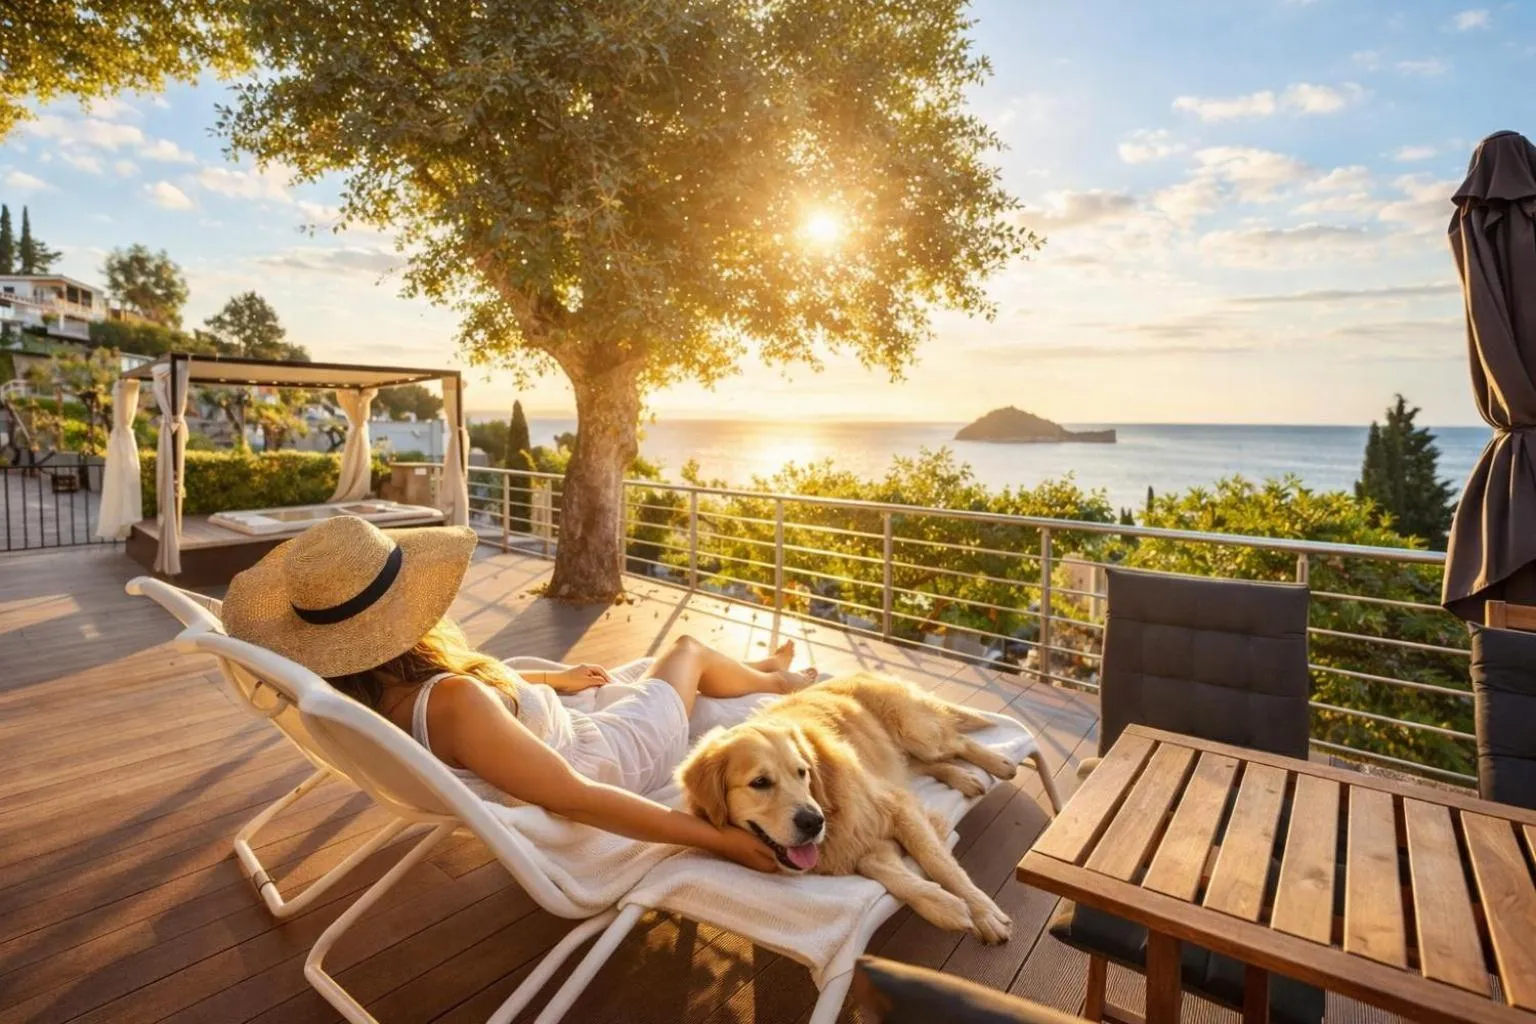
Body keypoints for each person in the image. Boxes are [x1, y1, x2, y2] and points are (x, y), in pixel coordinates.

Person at [222, 515, 816, 872]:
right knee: (685, 648)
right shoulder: (454, 701)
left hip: (565, 725)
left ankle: (760, 666)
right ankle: (777, 680)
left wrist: (552, 680)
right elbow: (578, 798)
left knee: (643, 668)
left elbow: (474, 710)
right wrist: (720, 840)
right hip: (607, 760)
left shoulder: (370, 693)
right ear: (401, 606)